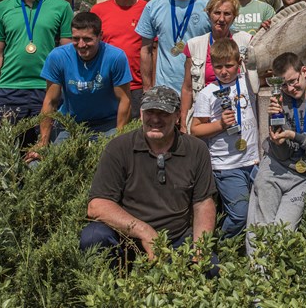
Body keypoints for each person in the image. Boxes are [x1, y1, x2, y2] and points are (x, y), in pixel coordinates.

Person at [79, 86, 217, 272]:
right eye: (150, 112)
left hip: (175, 239)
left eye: (163, 113)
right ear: (141, 114)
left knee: (211, 268)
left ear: (177, 116)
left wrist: (200, 249)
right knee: (93, 237)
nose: (155, 119)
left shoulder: (196, 149)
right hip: (126, 238)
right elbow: (97, 205)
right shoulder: (119, 147)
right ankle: (106, 292)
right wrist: (143, 231)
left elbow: (203, 204)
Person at [246, 52, 306, 256]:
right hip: (274, 170)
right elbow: (281, 150)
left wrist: (294, 135)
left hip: (303, 177)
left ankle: (278, 284)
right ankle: (256, 285)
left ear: (304, 71)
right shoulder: (279, 100)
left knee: (283, 234)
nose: (290, 89)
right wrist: (276, 134)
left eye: (293, 81)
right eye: (284, 84)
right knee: (259, 232)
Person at [0, 0, 73, 149]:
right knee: (7, 156)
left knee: (43, 153)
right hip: (9, 90)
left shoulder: (61, 7)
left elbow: (67, 51)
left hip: (46, 90)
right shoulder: (2, 8)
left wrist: (64, 90)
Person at [30, 12, 131, 165]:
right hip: (71, 124)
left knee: (111, 164)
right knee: (39, 165)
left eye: (87, 39)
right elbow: (50, 102)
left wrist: (119, 136)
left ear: (100, 36)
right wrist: (43, 142)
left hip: (107, 123)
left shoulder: (115, 57)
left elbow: (124, 99)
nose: (81, 45)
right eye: (76, 39)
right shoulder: (58, 57)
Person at [191, 38, 259, 238]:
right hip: (226, 165)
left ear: (239, 63)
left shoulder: (248, 82)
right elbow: (195, 130)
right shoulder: (208, 93)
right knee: (239, 214)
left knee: (258, 212)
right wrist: (220, 125)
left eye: (229, 65)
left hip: (254, 160)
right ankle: (222, 246)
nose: (224, 71)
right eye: (218, 66)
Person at [136, 0, 211, 93]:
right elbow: (146, 50)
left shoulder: (209, 7)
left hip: (201, 86)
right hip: (165, 88)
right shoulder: (153, 6)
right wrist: (147, 88)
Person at [179, 0, 252, 131]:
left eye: (227, 14)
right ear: (209, 14)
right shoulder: (194, 45)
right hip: (203, 115)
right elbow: (187, 88)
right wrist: (183, 124)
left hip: (239, 112)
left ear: (234, 17)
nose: (221, 19)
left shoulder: (246, 41)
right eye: (217, 13)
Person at [92, 0, 147, 119]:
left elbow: (153, 49)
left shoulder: (147, 9)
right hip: (106, 85)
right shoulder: (98, 10)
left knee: (136, 137)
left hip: (136, 86)